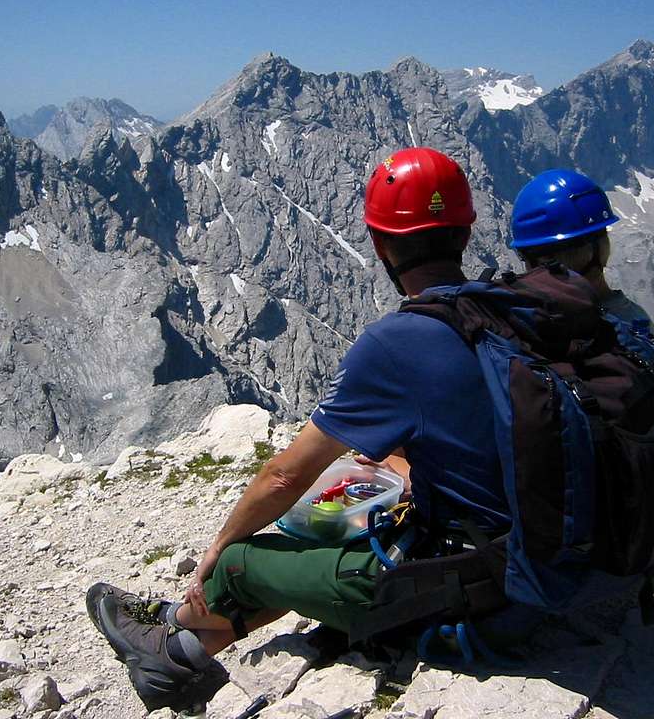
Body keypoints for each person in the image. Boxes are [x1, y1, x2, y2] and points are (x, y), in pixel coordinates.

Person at [84, 147, 512, 711]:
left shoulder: (396, 344)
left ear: (381, 245)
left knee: (244, 560)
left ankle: (166, 635)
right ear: (465, 230)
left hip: (464, 584)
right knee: (322, 535)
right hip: (528, 557)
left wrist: (216, 546)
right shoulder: (508, 309)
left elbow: (283, 477)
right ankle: (182, 650)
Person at [510, 169, 654, 351]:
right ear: (602, 247)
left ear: (544, 260)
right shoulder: (640, 328)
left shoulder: (525, 331)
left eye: (524, 256)